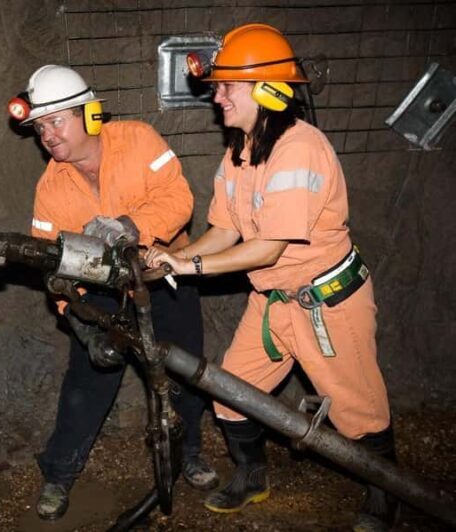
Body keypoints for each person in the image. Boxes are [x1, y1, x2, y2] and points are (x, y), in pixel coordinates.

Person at [144, 24, 397, 531]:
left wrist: (186, 265)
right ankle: (252, 476)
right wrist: (171, 258)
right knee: (231, 390)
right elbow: (223, 230)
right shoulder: (239, 150)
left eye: (226, 87)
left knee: (357, 411)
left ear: (267, 90)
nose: (216, 97)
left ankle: (386, 492)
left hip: (326, 303)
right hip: (273, 302)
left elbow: (267, 246)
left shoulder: (299, 148)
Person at [9, 64, 218, 521]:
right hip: (103, 291)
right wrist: (81, 326)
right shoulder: (51, 190)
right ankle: (59, 475)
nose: (47, 134)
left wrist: (130, 226)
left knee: (184, 369)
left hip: (163, 273)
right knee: (87, 380)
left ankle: (191, 453)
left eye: (56, 121)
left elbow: (179, 198)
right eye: (40, 126)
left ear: (89, 115)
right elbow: (54, 269)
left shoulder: (140, 140)